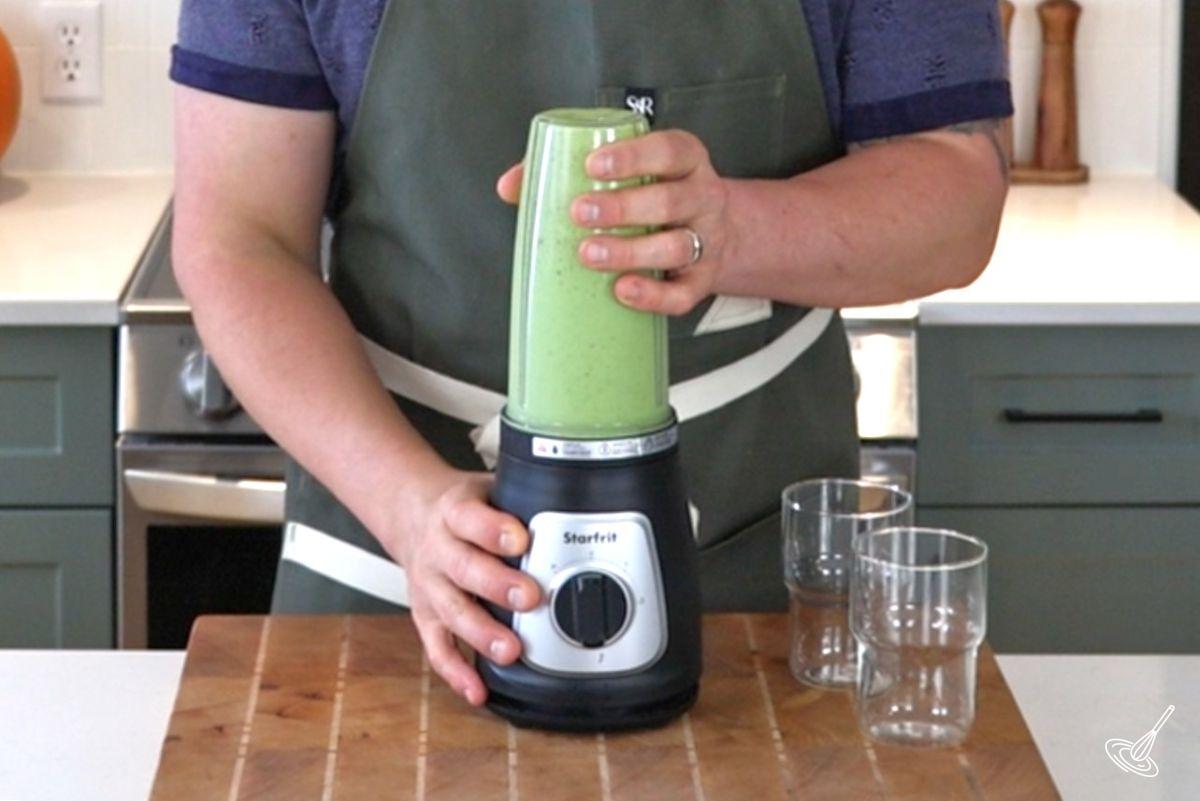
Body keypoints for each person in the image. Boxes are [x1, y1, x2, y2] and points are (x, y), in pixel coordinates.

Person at [170, 1, 1011, 707]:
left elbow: (958, 193)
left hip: (756, 593)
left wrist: (734, 231)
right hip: (395, 565)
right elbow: (238, 238)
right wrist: (405, 505)